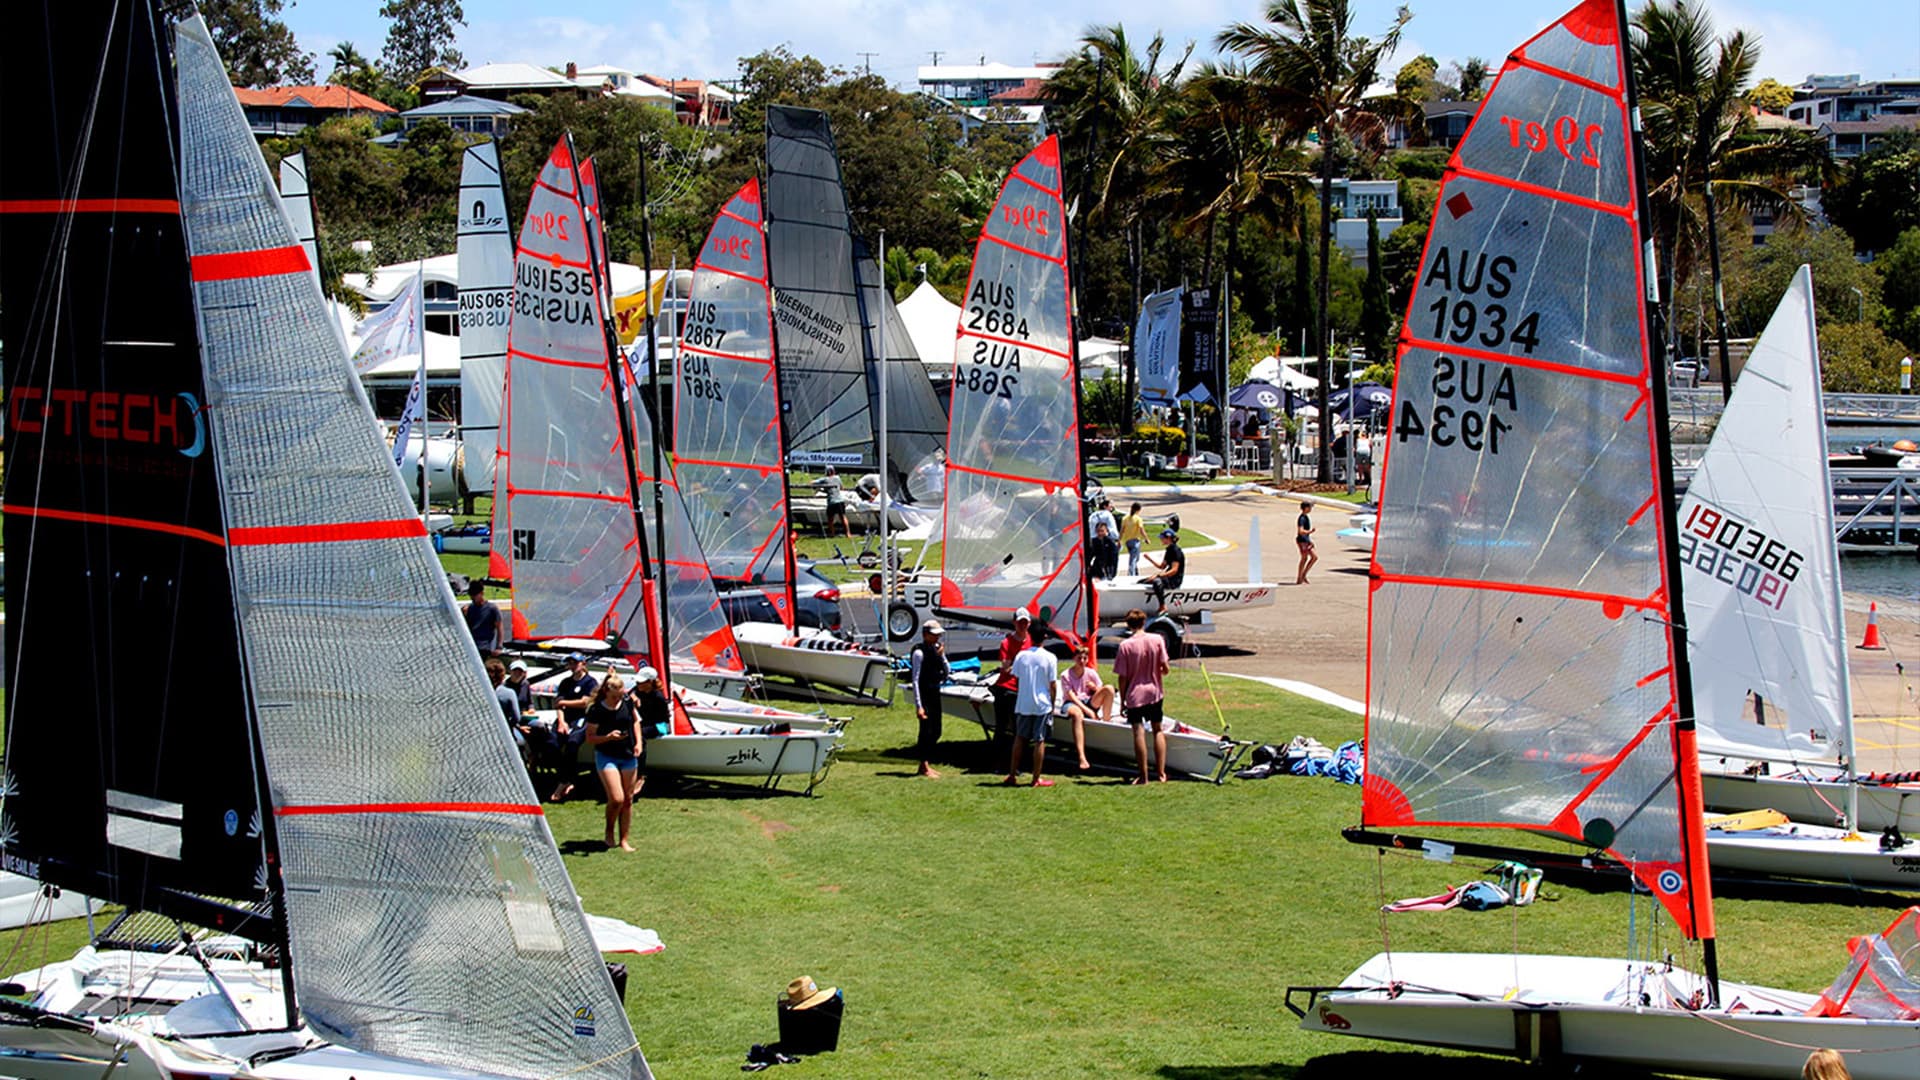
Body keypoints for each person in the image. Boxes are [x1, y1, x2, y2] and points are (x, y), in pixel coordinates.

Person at [1113, 609, 1171, 784]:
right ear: (1144, 622)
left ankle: (1143, 776)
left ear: (1128, 625)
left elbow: (1122, 677)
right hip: (1154, 691)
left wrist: (1122, 701)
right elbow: (1165, 668)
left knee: (1138, 733)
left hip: (1135, 694)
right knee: (1157, 730)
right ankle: (1161, 773)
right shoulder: (1157, 640)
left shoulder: (1126, 646)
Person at [584, 675, 642, 852]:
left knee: (628, 799)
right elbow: (590, 738)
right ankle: (609, 831)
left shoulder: (627, 702)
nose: (617, 700)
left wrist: (639, 742)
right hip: (607, 755)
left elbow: (636, 722)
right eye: (614, 697)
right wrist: (608, 737)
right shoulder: (596, 710)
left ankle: (624, 839)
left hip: (628, 754)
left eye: (620, 695)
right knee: (617, 798)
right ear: (606, 693)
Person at [1004, 638, 1059, 788]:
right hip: (1042, 704)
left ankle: (1012, 774)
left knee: (1020, 738)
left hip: (1024, 702)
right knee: (1039, 740)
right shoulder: (1050, 657)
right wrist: (1052, 704)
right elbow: (1053, 684)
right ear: (1045, 638)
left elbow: (1015, 676)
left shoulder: (1022, 655)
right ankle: (1035, 779)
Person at [547, 652, 597, 803]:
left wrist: (564, 703)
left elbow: (585, 702)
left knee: (572, 743)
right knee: (552, 744)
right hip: (566, 718)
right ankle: (566, 777)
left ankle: (564, 782)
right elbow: (558, 704)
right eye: (570, 663)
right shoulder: (565, 683)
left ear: (583, 664)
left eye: (575, 663)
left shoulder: (590, 682)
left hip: (581, 718)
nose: (572, 666)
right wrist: (561, 721)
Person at [988, 607, 1033, 772]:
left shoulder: (1031, 642)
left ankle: (1016, 765)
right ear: (1014, 623)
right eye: (1020, 622)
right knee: (1001, 727)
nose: (1022, 625)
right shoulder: (1006, 642)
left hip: (1024, 690)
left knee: (1018, 730)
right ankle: (998, 764)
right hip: (1007, 689)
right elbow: (1005, 669)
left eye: (1025, 622)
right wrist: (1021, 663)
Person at [1059, 643, 1114, 771]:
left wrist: (1094, 688)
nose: (1082, 661)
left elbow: (1101, 689)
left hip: (1088, 700)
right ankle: (1082, 757)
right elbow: (1072, 697)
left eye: (1084, 658)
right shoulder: (1065, 675)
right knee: (1078, 715)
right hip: (1072, 703)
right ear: (1074, 659)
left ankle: (1107, 721)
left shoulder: (1090, 673)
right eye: (1079, 658)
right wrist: (1088, 711)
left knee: (1110, 689)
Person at [909, 619, 951, 778]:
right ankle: (923, 765)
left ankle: (926, 762)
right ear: (926, 635)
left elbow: (947, 670)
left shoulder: (936, 649)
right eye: (934, 635)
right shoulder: (919, 653)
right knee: (925, 730)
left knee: (937, 730)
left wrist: (941, 656)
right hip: (925, 694)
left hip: (935, 692)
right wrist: (919, 705)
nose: (937, 638)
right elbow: (915, 679)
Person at [1141, 528, 1185, 611]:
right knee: (1143, 581)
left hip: (1175, 580)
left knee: (1157, 582)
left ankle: (1162, 606)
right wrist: (1149, 559)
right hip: (1169, 577)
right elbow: (1162, 566)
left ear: (1168, 538)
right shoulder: (1169, 550)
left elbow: (1174, 570)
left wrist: (1158, 576)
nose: (1160, 539)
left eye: (1162, 538)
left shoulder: (1176, 551)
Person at [464, 580, 502, 658]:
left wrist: (499, 647)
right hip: (472, 646)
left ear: (482, 594)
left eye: (475, 595)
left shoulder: (492, 609)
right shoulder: (470, 608)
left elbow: (499, 628)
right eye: (471, 595)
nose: (472, 597)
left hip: (485, 648)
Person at [1087, 499, 1118, 581]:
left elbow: (1113, 559)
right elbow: (1113, 530)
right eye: (1110, 505)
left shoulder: (1093, 515)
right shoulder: (1108, 515)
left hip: (1094, 540)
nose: (1112, 507)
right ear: (1105, 506)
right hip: (1099, 565)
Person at [1119, 503, 1148, 576]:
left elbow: (1122, 530)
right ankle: (1131, 574)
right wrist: (1146, 538)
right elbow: (1141, 530)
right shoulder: (1138, 519)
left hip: (1128, 541)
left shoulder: (1125, 518)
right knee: (1134, 559)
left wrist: (1119, 539)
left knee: (1135, 558)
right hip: (1135, 541)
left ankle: (1135, 571)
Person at [821, 467, 851, 539]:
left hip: (832, 501)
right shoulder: (838, 478)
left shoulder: (825, 479)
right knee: (843, 517)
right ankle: (848, 533)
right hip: (840, 500)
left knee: (830, 519)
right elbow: (842, 488)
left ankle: (832, 533)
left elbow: (813, 482)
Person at [1296, 500, 1319, 585]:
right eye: (1309, 507)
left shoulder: (1305, 517)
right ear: (1305, 508)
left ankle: (1302, 575)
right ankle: (1301, 576)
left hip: (1305, 540)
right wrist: (1310, 531)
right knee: (1309, 558)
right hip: (1302, 541)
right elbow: (1300, 531)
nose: (1310, 509)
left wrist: (1309, 541)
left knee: (1309, 558)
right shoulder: (1301, 518)